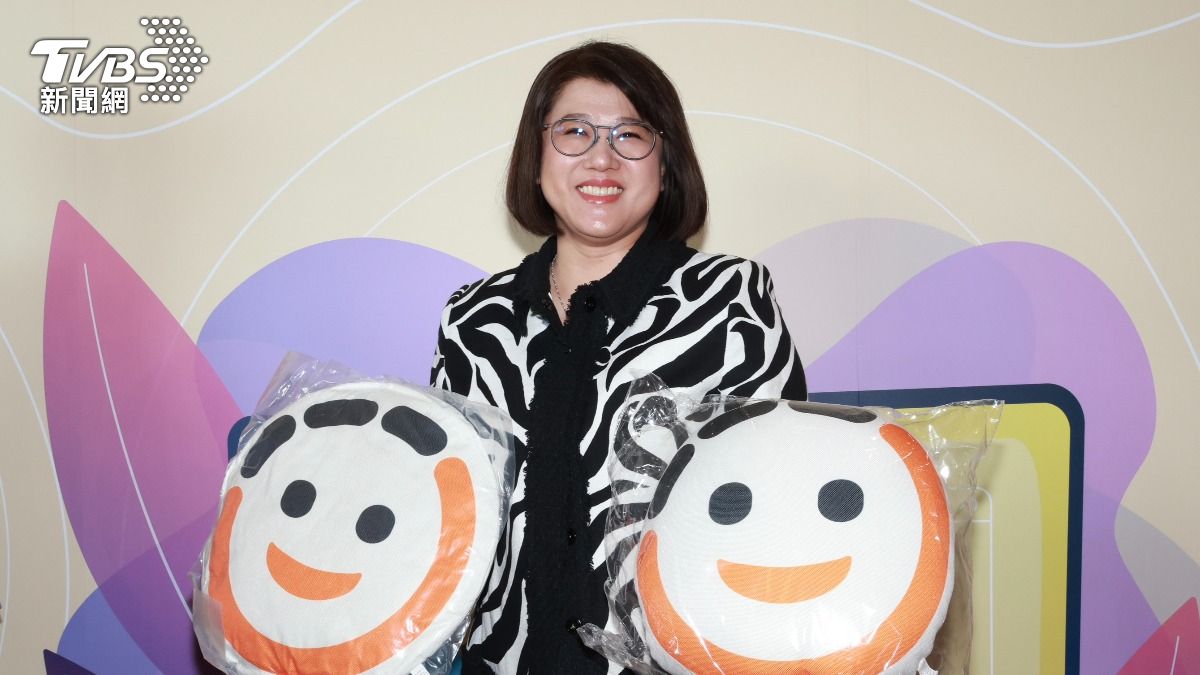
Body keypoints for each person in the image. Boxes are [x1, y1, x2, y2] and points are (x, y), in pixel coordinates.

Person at [430, 41, 807, 675]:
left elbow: (774, 506)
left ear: (666, 162)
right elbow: (450, 511)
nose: (600, 157)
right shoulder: (473, 318)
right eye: (573, 131)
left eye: (630, 134)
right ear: (537, 156)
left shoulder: (730, 300)